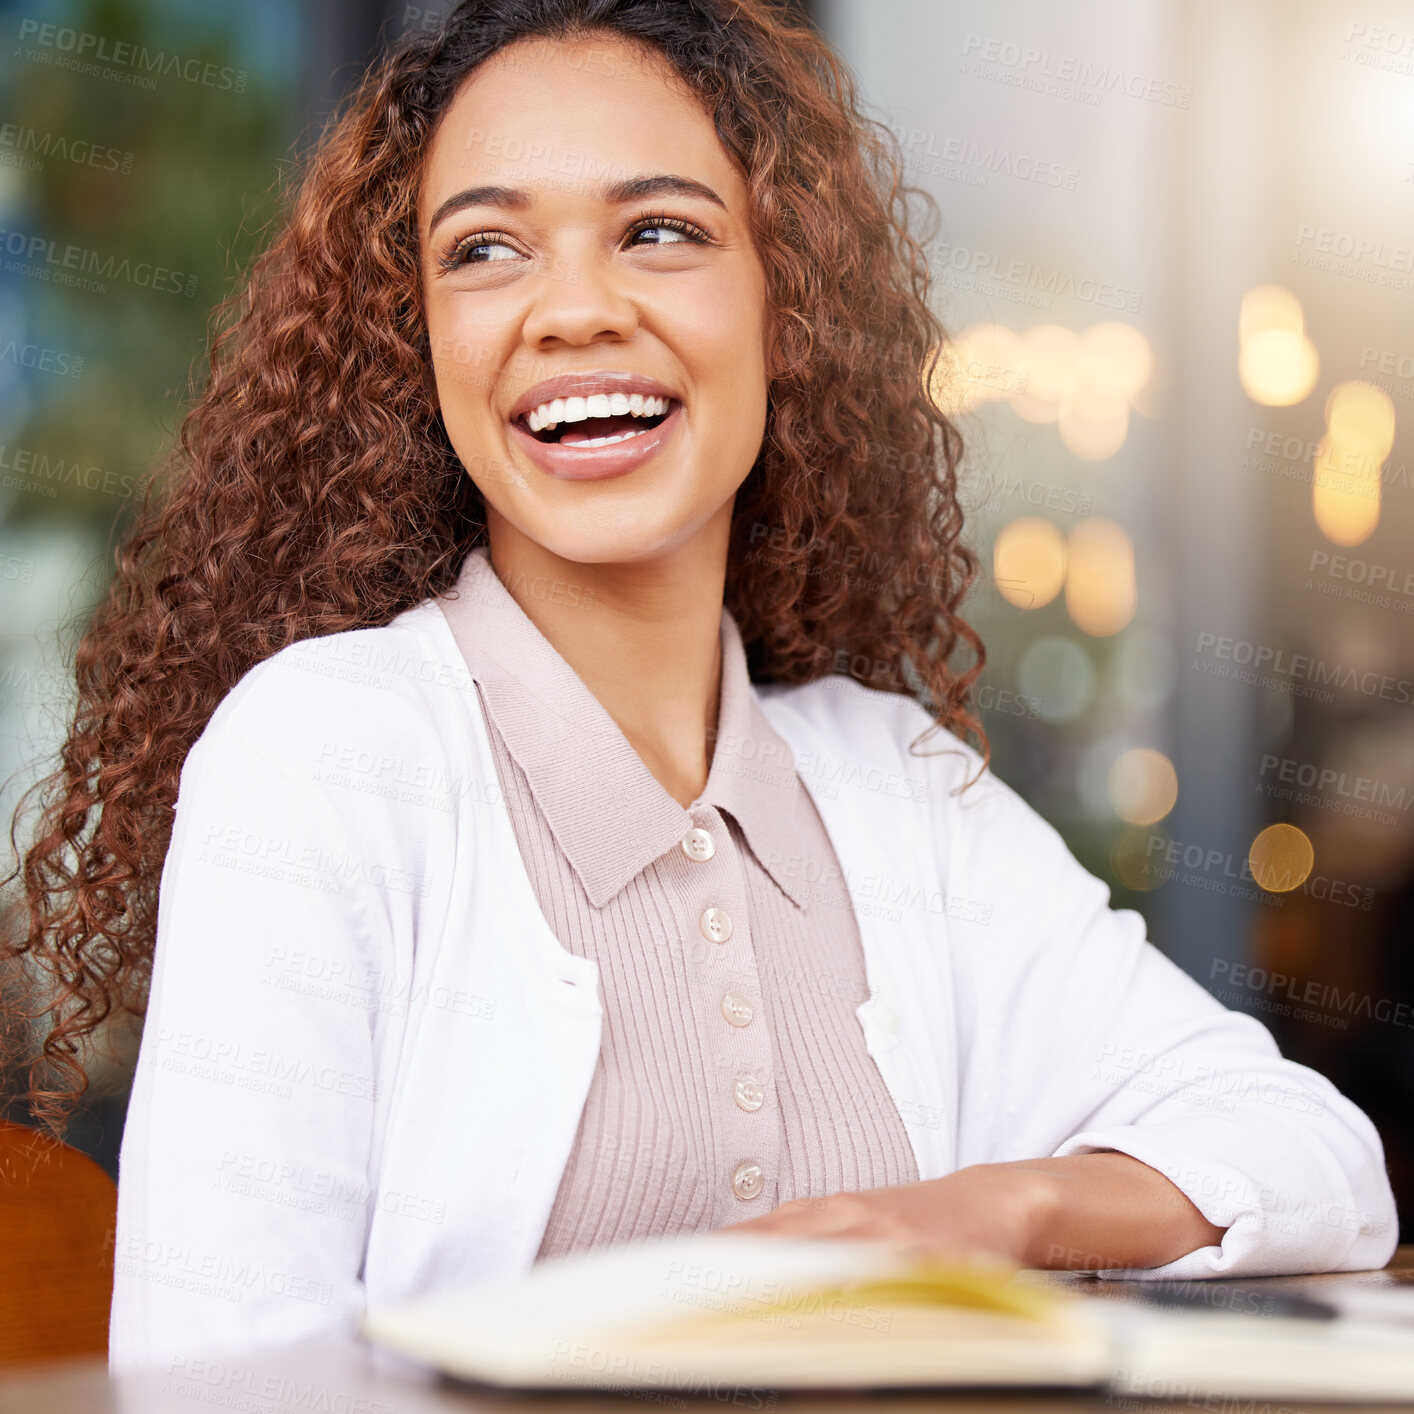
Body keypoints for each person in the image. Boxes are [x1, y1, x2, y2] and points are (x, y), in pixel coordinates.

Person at [0, 0, 1395, 1377]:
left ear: (784, 299)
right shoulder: (325, 755)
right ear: (414, 343)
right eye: (483, 249)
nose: (574, 309)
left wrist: (986, 1210)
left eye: (658, 230)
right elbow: (217, 1374)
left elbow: (1316, 1156)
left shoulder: (890, 780)